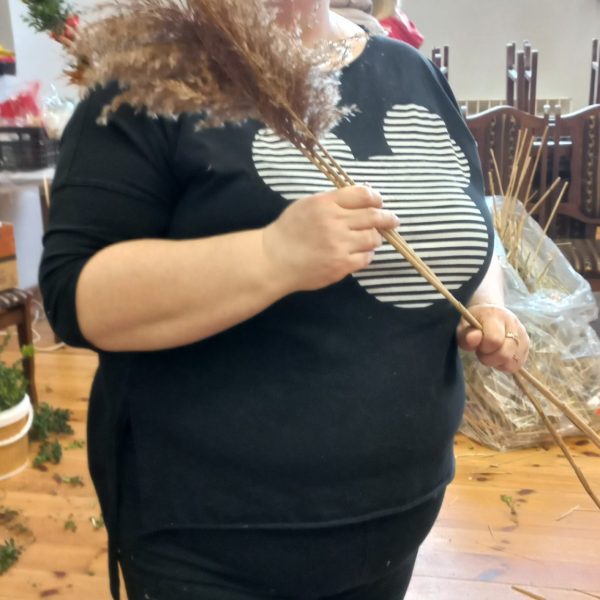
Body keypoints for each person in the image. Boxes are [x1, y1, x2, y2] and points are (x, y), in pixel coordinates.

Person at [39, 1, 530, 599]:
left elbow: (465, 217)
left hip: (399, 515)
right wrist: (273, 256)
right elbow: (76, 296)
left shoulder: (410, 70)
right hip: (212, 539)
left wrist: (489, 302)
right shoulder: (153, 75)